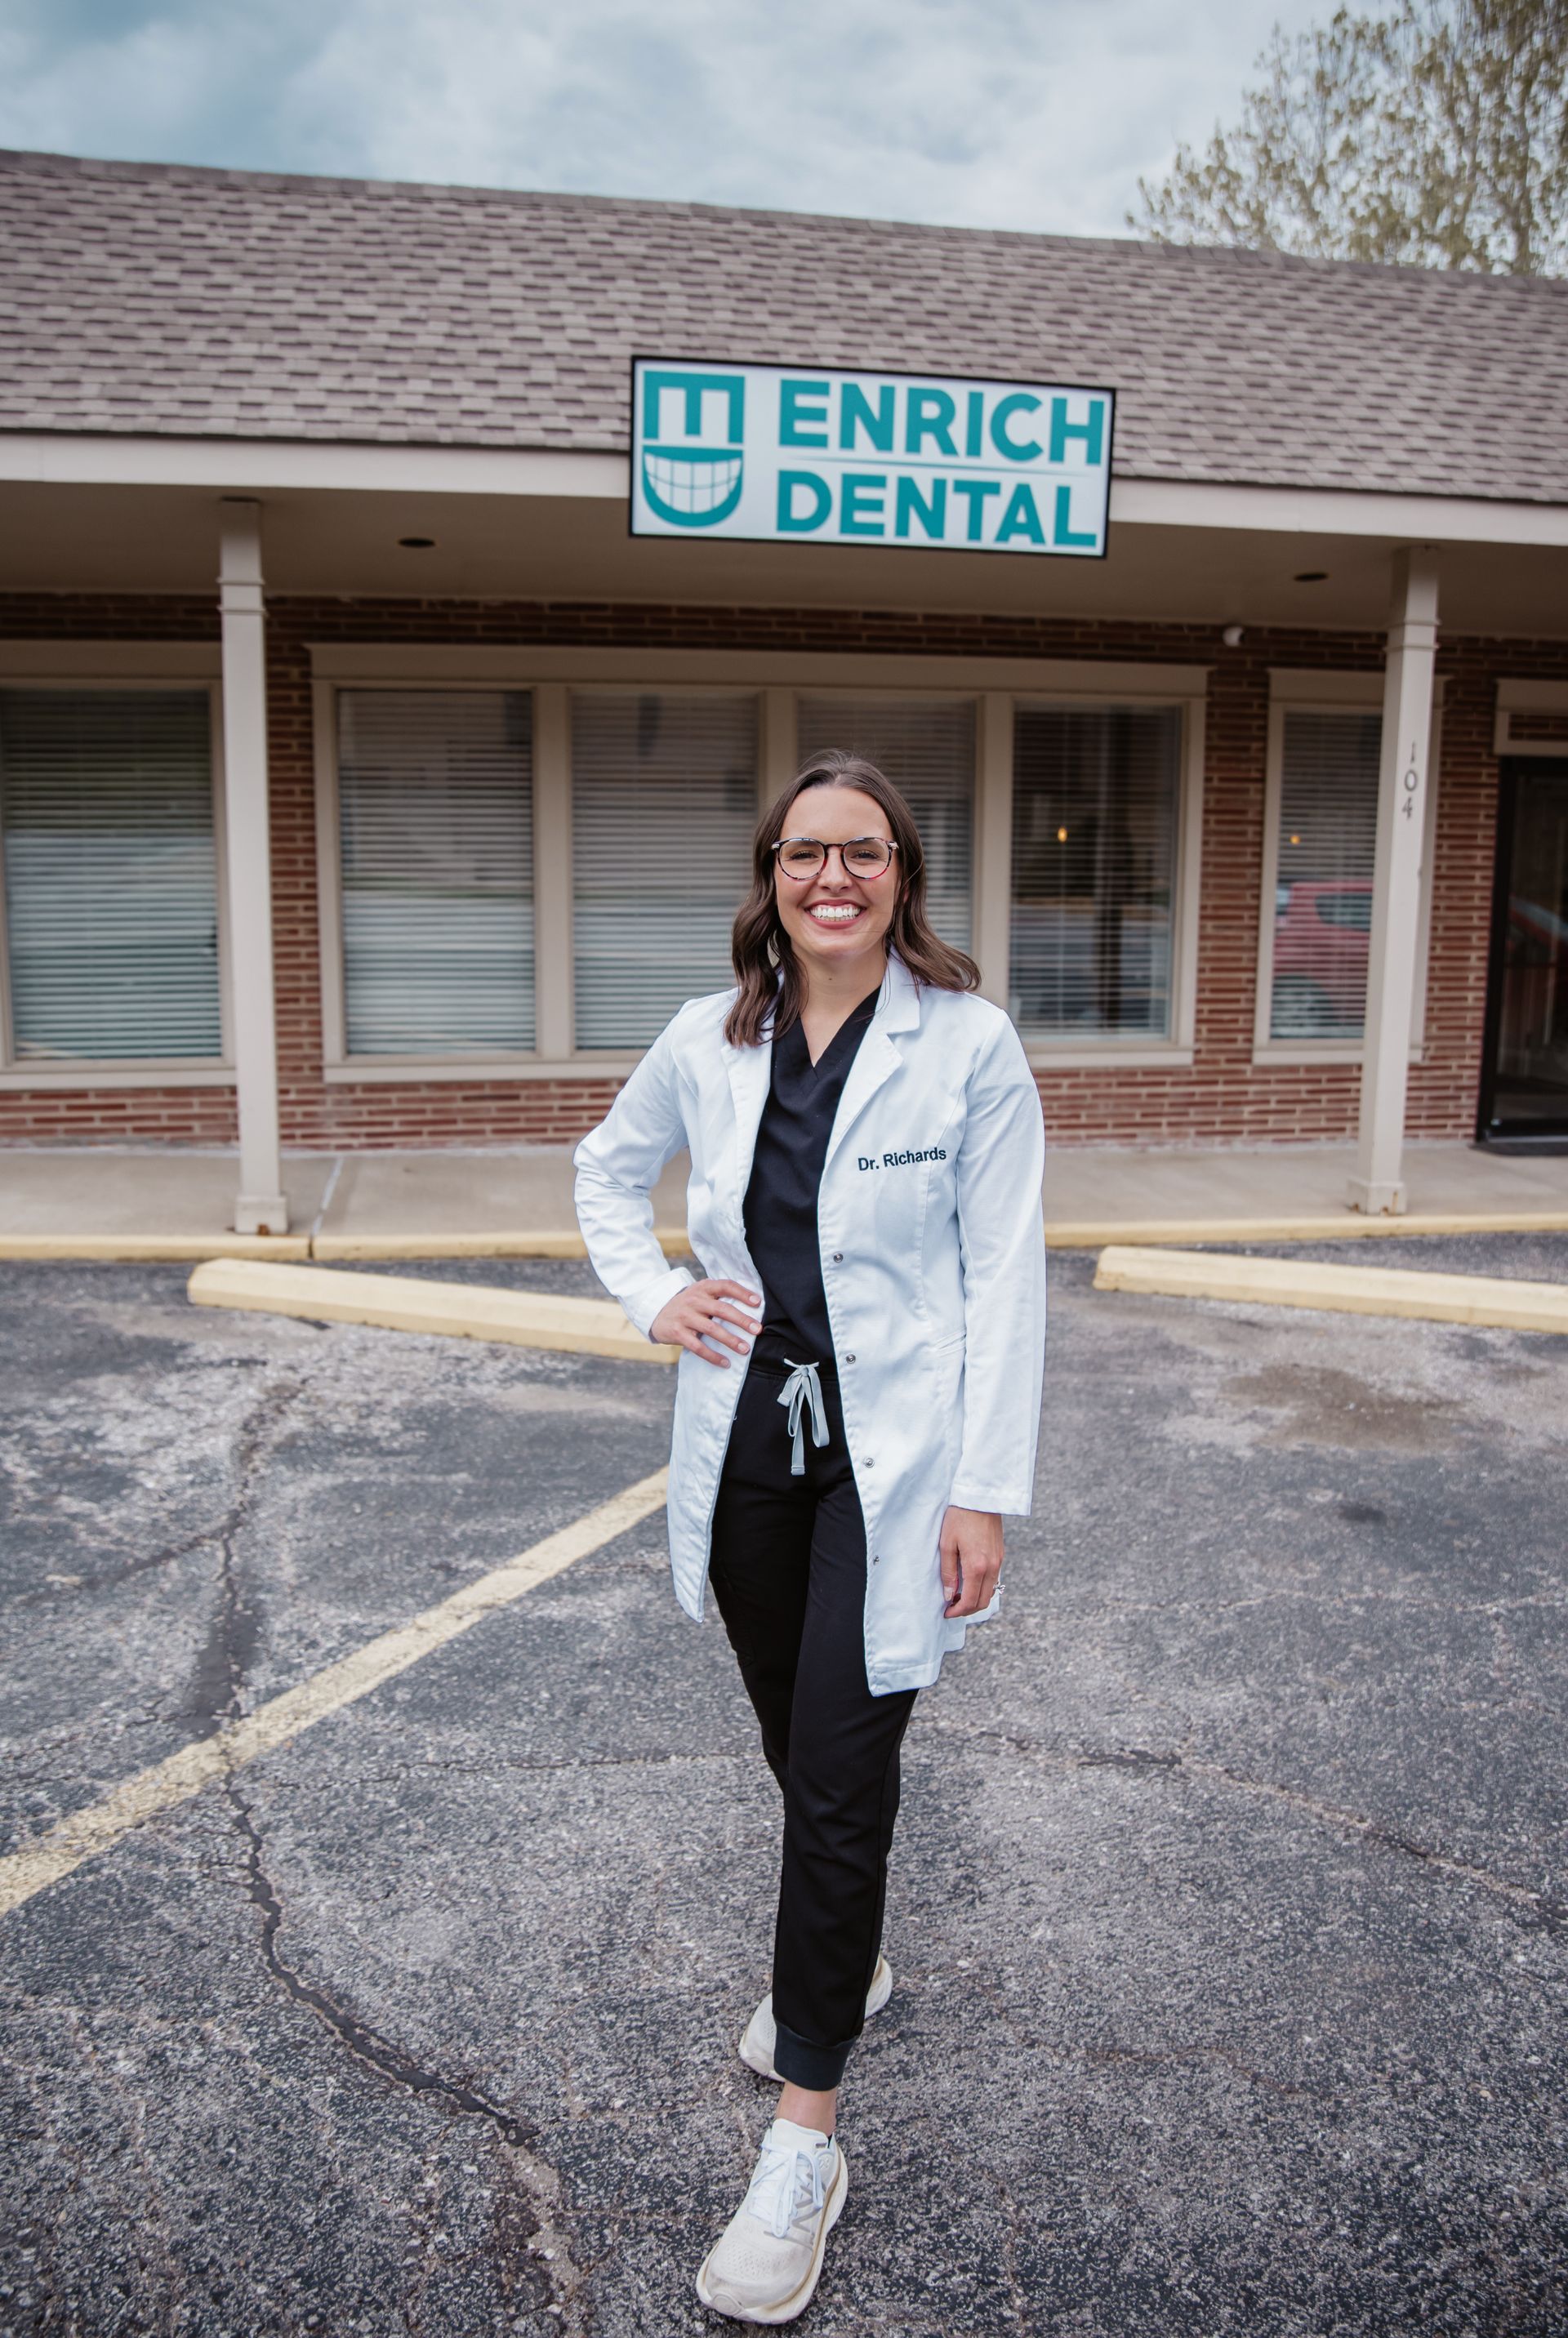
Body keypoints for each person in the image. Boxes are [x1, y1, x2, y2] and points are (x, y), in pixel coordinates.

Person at [573, 749, 1046, 2324]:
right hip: (750, 1453)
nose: (830, 876)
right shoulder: (712, 1039)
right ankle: (847, 1953)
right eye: (802, 853)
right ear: (770, 875)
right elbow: (600, 1172)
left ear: (902, 873)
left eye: (862, 851)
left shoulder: (969, 1046)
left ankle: (804, 2143)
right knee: (798, 1738)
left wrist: (983, 1487)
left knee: (844, 1769)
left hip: (898, 1465)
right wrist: (656, 1295)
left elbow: (1007, 1281)